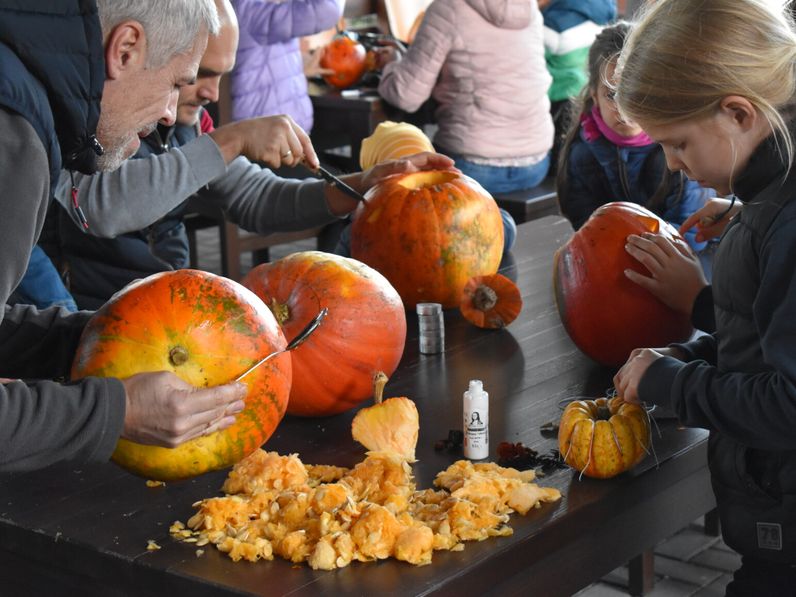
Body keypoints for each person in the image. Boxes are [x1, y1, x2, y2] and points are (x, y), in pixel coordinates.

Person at [49, 0, 453, 310]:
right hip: (90, 321)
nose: (211, 93)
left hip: (168, 309)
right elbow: (103, 206)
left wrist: (364, 185)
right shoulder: (88, 123)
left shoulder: (183, 128)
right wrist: (230, 141)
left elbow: (259, 198)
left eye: (221, 75)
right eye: (197, 75)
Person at [1, 0, 257, 472]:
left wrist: (102, 339)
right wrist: (115, 411)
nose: (167, 114)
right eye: (175, 83)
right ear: (126, 49)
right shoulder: (12, 141)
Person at [611, 0, 796, 592]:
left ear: (738, 112)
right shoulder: (772, 192)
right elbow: (768, 341)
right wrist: (699, 354)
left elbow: (790, 406)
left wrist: (672, 384)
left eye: (679, 143)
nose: (671, 164)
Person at [374, 0, 556, 252]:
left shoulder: (448, 8)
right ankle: (494, 229)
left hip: (474, 165)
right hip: (536, 162)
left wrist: (392, 64)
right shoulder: (528, 8)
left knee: (396, 182)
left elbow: (406, 95)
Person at [556, 21, 709, 251]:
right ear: (594, 96)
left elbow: (691, 231)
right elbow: (584, 230)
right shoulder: (581, 152)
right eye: (612, 94)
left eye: (637, 91)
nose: (626, 107)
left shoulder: (681, 148)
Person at [229, 0, 344, 132]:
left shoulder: (266, 10)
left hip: (282, 132)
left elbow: (268, 59)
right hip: (265, 136)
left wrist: (302, 68)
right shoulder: (251, 10)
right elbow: (328, 10)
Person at [539, 0, 617, 173]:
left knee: (556, 151)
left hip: (558, 95)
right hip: (586, 91)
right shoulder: (602, 11)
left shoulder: (551, 24)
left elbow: (533, 63)